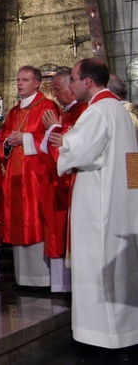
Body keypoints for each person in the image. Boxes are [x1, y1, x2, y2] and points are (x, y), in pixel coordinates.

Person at [50, 59, 138, 351]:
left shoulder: (97, 112)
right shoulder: (122, 111)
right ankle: (126, 333)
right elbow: (131, 162)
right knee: (122, 270)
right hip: (123, 200)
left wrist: (60, 142)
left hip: (99, 205)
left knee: (97, 267)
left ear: (88, 82)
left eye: (73, 79)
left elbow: (78, 151)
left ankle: (99, 338)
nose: (71, 84)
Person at [0, 65, 60, 288]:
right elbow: (3, 138)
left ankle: (42, 279)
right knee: (17, 221)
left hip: (36, 177)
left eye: (25, 80)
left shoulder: (47, 107)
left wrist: (23, 138)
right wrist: (7, 142)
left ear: (37, 84)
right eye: (18, 80)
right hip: (15, 176)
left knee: (35, 220)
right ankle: (23, 279)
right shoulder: (14, 112)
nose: (20, 84)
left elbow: (53, 137)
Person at [38, 70, 87, 292]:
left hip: (74, 182)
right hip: (56, 182)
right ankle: (61, 285)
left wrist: (56, 129)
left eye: (57, 89)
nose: (54, 95)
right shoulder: (69, 112)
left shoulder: (85, 111)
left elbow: (71, 146)